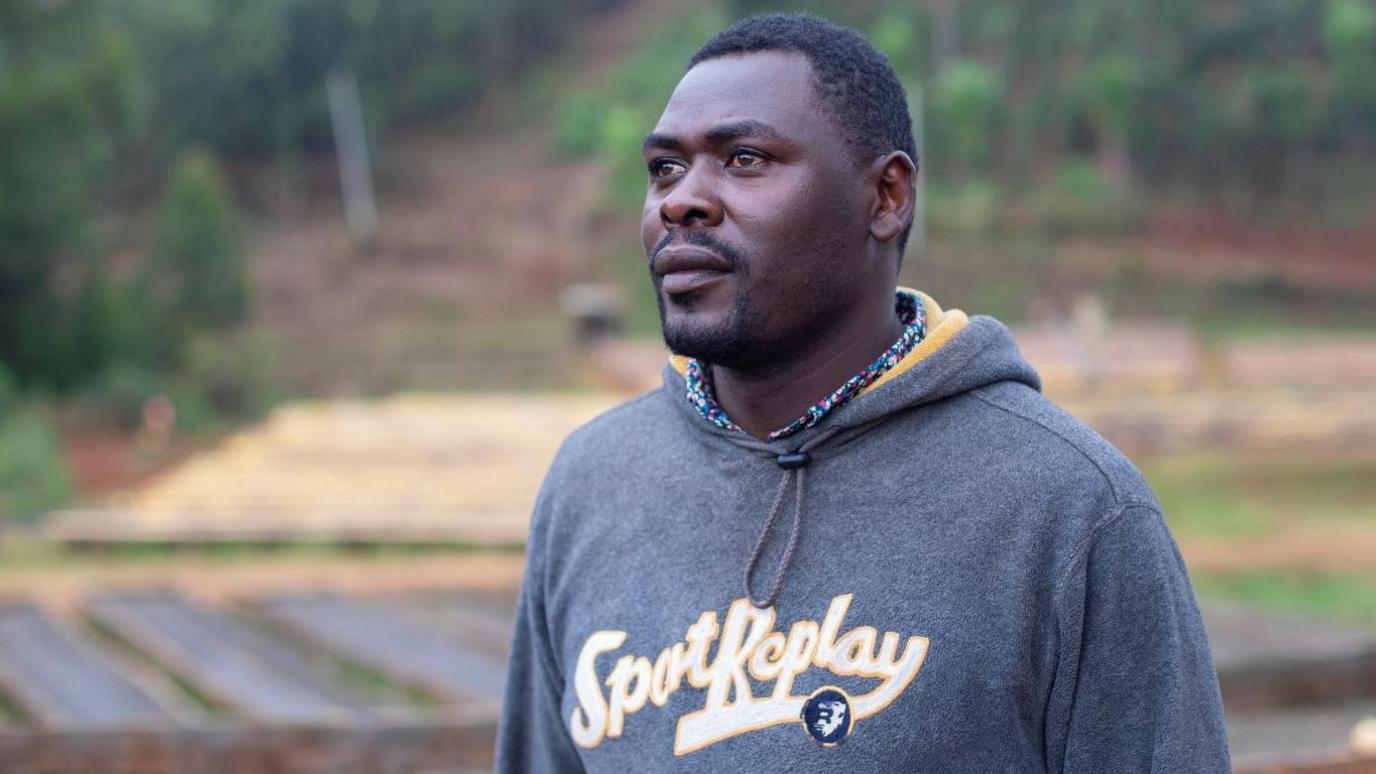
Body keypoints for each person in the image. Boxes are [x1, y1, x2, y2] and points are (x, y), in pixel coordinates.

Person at [496, 12, 1229, 773]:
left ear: (886, 197)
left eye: (743, 159)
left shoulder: (1070, 512)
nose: (682, 201)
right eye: (664, 169)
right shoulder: (592, 483)